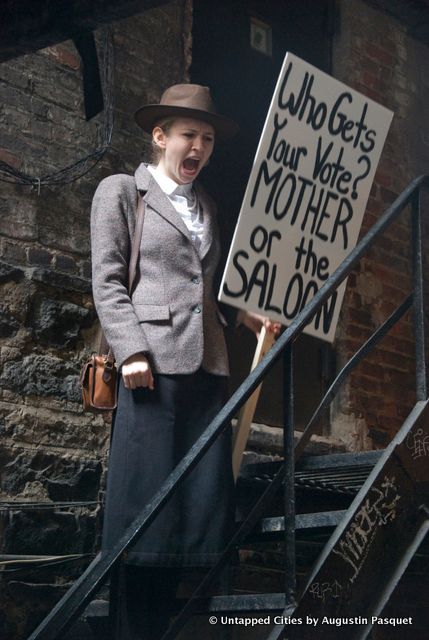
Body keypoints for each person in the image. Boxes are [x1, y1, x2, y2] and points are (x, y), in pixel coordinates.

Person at [90, 84, 280, 640]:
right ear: (160, 137)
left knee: (199, 505)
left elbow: (206, 285)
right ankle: (137, 626)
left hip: (209, 367)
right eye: (189, 135)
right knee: (145, 505)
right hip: (150, 369)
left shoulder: (209, 208)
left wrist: (245, 317)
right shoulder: (125, 192)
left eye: (209, 139)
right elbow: (107, 279)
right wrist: (131, 351)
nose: (199, 146)